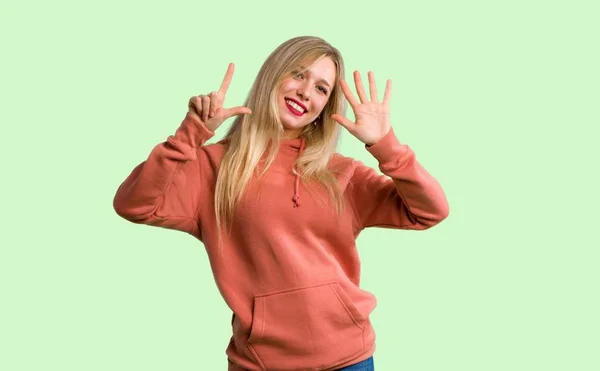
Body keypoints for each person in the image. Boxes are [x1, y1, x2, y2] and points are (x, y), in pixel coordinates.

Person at [113, 36, 449, 371]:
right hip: (261, 364)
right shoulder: (213, 167)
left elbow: (430, 210)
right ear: (272, 77)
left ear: (325, 109)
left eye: (321, 88)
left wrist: (385, 145)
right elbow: (134, 204)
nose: (306, 91)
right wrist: (191, 132)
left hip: (349, 359)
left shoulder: (341, 172)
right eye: (298, 74)